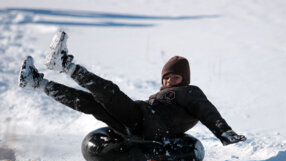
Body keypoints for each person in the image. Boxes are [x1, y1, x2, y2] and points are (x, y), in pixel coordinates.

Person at [18, 31, 246, 146]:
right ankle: (38, 82)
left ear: (184, 79)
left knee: (109, 91)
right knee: (90, 103)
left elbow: (207, 110)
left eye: (175, 77)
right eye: (166, 77)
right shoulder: (163, 95)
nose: (169, 82)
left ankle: (66, 65)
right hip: (135, 126)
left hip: (146, 122)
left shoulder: (190, 92)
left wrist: (224, 132)